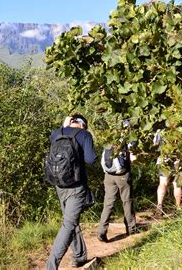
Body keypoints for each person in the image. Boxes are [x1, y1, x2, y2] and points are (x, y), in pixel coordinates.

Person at [46, 114, 97, 269]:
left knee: (71, 221)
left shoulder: (56, 133)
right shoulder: (85, 135)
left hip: (59, 185)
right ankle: (51, 266)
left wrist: (64, 126)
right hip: (76, 186)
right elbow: (91, 159)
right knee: (68, 224)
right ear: (82, 125)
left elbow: (53, 142)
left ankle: (79, 256)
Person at [97, 133, 138, 243]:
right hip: (122, 176)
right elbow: (133, 159)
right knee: (127, 201)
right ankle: (131, 229)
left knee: (108, 204)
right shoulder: (128, 139)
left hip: (108, 175)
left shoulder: (109, 137)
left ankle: (101, 231)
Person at [154, 130, 182, 214]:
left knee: (163, 183)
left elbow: (155, 144)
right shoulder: (179, 128)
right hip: (176, 160)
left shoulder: (159, 130)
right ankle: (178, 208)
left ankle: (159, 206)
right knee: (177, 183)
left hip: (163, 159)